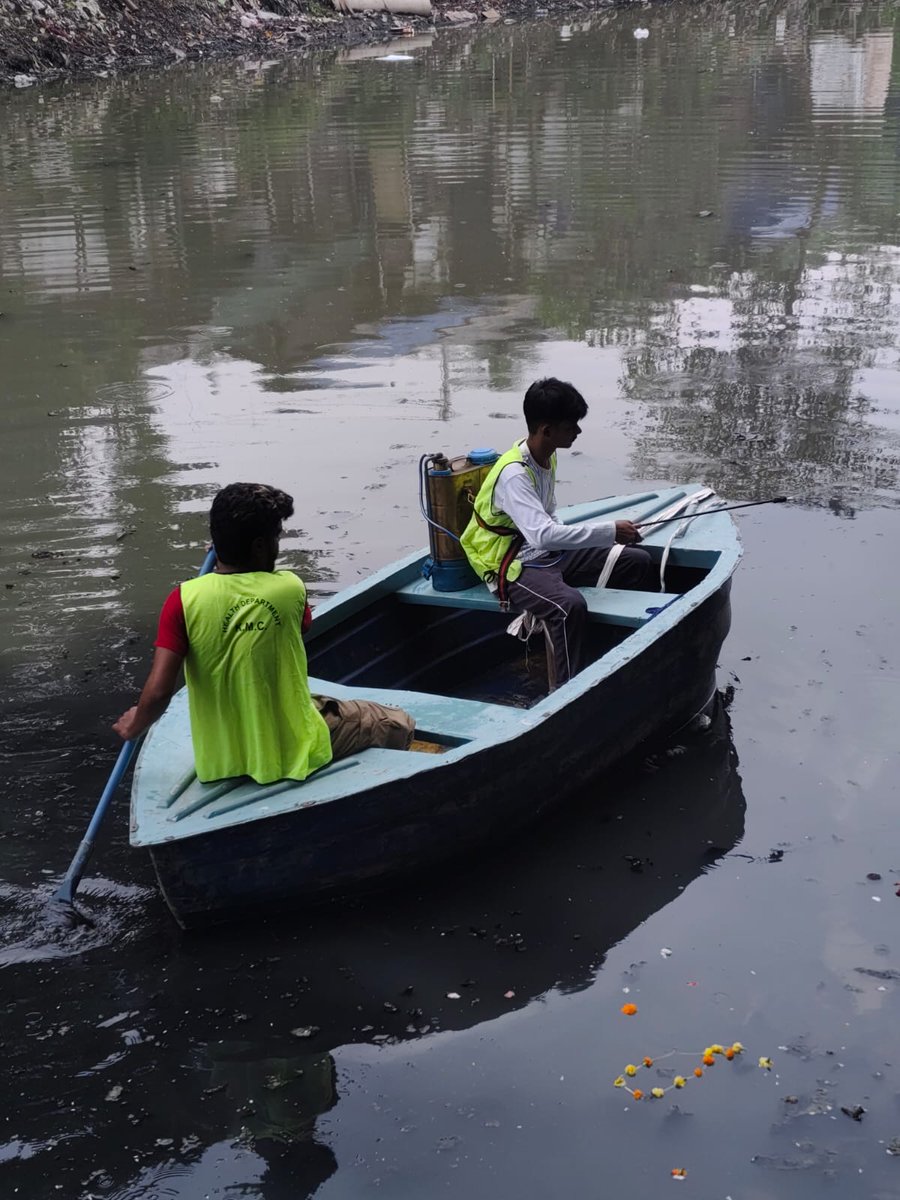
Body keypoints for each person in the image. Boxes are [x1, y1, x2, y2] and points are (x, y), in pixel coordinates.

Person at [113, 482, 414, 784]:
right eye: (275, 537)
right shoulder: (289, 588)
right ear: (259, 546)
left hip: (221, 762)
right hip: (295, 750)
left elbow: (159, 691)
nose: (277, 545)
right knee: (398, 722)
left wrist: (134, 725)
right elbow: (299, 623)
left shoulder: (181, 601)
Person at [460, 377, 653, 689]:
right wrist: (608, 531)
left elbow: (550, 517)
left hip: (543, 554)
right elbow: (543, 536)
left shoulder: (547, 456)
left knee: (635, 561)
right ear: (546, 430)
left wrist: (609, 538)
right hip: (509, 564)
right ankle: (564, 693)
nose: (577, 432)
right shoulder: (514, 475)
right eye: (571, 426)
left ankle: (608, 654)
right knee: (568, 607)